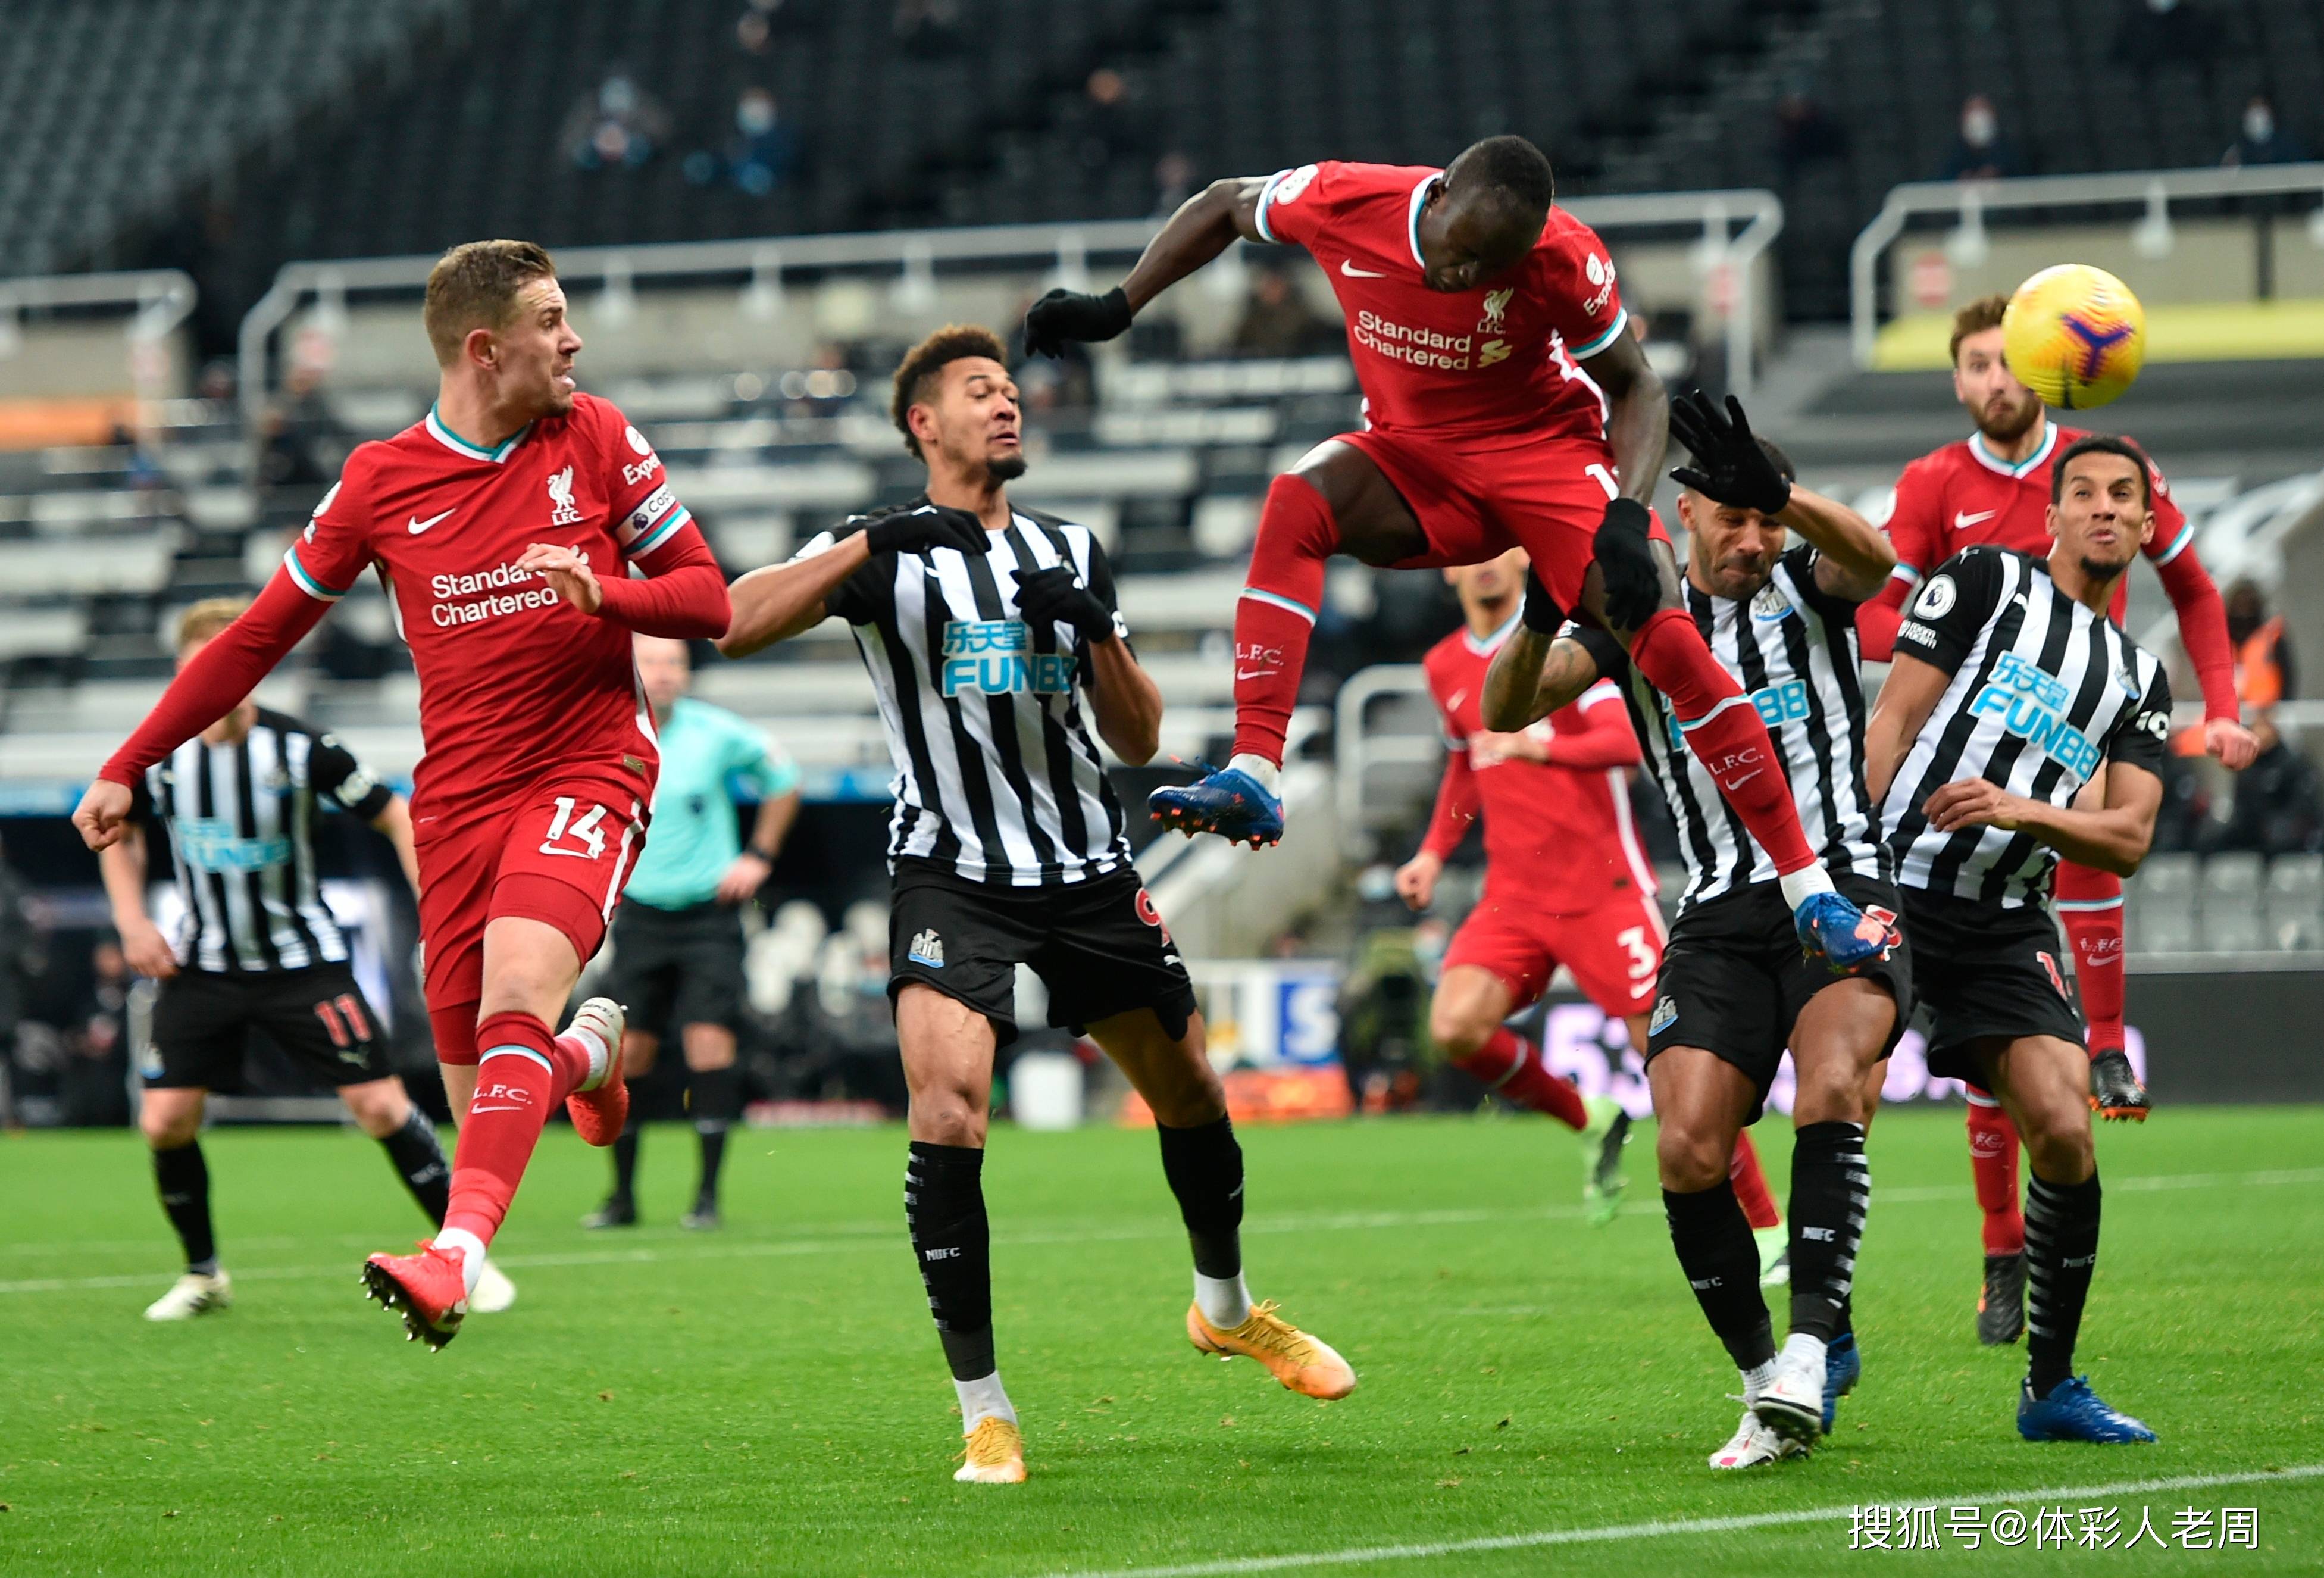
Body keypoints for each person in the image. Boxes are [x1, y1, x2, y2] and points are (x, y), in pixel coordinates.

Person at [718, 323, 1352, 1485]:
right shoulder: (883, 553)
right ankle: (985, 1407)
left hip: (1086, 867)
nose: (1008, 405)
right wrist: (868, 540)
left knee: (1191, 1088)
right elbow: (733, 618)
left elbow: (1141, 736)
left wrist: (1095, 625)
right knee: (950, 1110)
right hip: (950, 873)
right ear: (923, 423)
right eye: (978, 392)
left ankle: (1224, 1305)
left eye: (1012, 389)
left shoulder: (1069, 545)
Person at [71, 240, 732, 1349]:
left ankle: (450, 1257)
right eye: (553, 322)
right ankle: (590, 1054)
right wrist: (127, 763)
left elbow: (708, 598)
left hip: (587, 766)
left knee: (520, 988)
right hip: (459, 805)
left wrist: (605, 592)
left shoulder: (600, 437)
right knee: (487, 1104)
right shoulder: (382, 482)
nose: (574, 342)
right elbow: (253, 640)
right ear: (488, 347)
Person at [1021, 135, 1891, 974]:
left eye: (1490, 268)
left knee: (1665, 635)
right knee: (1297, 499)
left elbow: (1636, 384)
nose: (1466, 276)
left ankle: (1809, 887)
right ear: (1435, 196)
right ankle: (1255, 767)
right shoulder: (1342, 199)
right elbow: (1221, 205)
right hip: (1416, 456)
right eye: (1461, 251)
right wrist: (1118, 305)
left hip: (1544, 456)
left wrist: (1627, 517)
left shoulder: (1561, 254)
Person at [1482, 393, 1910, 1467]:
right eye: (1735, 519)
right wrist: (1540, 611)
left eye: (1767, 521)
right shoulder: (1634, 614)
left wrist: (1788, 497)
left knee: (1831, 1084)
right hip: (1720, 908)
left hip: (1840, 880)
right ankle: (1766, 1385)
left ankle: (1816, 1347)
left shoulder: (1810, 587)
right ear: (1682, 516)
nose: (1754, 541)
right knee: (1686, 1146)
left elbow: (1878, 557)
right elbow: (1506, 708)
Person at [1855, 295, 2252, 1342]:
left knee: (2043, 1073)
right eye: (1976, 364)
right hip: (1943, 784)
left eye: (2008, 361)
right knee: (1850, 1080)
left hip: (2076, 747)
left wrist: (2230, 712)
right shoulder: (1945, 496)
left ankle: (2105, 1046)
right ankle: (1964, 1263)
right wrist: (1948, 645)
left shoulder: (2101, 473)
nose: (1996, 380)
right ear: (1958, 380)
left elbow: (2199, 593)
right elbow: (1878, 619)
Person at [1865, 435, 2175, 1445]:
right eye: (2081, 492)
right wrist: (1851, 862)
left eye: (2122, 496)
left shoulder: (2139, 678)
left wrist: (2019, 812)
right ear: (2049, 516)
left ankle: (2049, 1387)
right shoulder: (1984, 581)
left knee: (2068, 1127)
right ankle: (1815, 1347)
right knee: (1840, 1094)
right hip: (1901, 884)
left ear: (2145, 522)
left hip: (2005, 919)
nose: (2102, 509)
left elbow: (2127, 839)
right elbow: (1893, 723)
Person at [99, 599, 511, 1321]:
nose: (217, 682)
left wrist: (438, 909)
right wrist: (133, 921)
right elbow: (117, 831)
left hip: (304, 963)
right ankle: (204, 1275)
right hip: (203, 963)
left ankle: (465, 1256)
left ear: (255, 672)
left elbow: (395, 814)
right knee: (164, 1119)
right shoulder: (160, 757)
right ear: (180, 674)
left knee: (379, 1104)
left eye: (231, 666)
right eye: (201, 669)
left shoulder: (303, 749)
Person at [1394, 546, 1790, 1264]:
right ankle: (1588, 1119)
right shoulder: (1442, 664)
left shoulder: (1566, 647)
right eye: (1471, 559)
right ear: (1448, 570)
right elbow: (1465, 759)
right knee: (1454, 1026)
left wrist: (1540, 745)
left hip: (1601, 890)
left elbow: (1619, 740)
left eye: (1502, 552)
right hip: (1512, 896)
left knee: (1675, 1064)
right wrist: (1430, 851)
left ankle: (1765, 1226)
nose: (1486, 568)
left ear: (1521, 560)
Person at [586, 634, 802, 1231]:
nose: (664, 673)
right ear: (631, 668)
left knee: (710, 1044)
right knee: (629, 1055)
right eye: (652, 661)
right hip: (639, 914)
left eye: (675, 662)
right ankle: (622, 1196)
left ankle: (706, 1197)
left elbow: (784, 778)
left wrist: (759, 853)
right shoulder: (608, 731)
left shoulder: (716, 732)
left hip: (709, 915)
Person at [1940, 95, 2024, 181]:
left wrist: (1998, 175)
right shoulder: (1954, 151)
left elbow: (2023, 178)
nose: (1978, 115)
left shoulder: (2010, 148)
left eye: (1983, 108)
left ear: (1994, 113)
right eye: (1972, 109)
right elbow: (1942, 180)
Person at [2222, 95, 2307, 167]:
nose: (2257, 117)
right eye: (2253, 108)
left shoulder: (2287, 145)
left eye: (2261, 107)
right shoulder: (2238, 150)